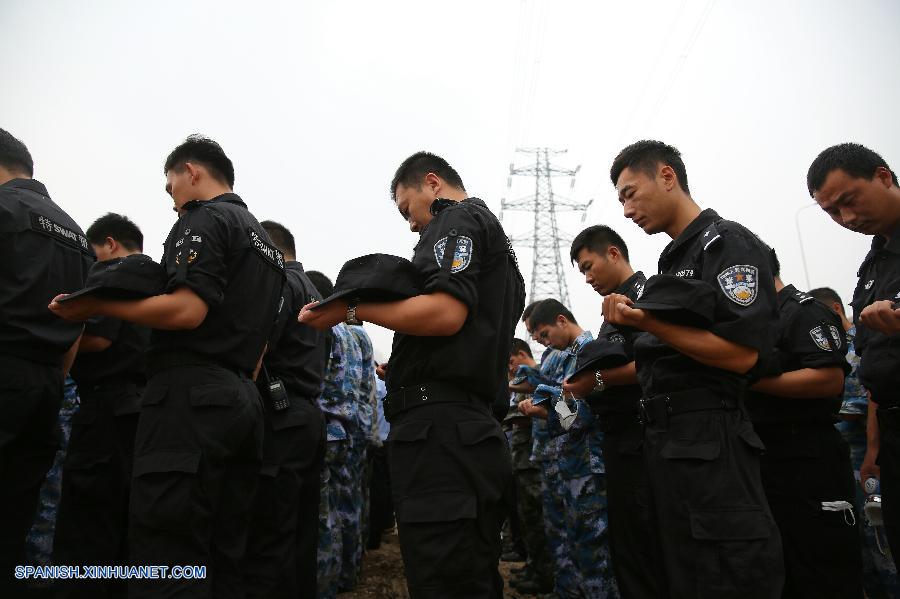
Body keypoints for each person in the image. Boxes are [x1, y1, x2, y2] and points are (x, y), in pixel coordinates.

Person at [50, 134, 286, 598]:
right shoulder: (268, 248)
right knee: (223, 550)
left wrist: (99, 305)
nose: (173, 200)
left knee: (168, 551)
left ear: (191, 173)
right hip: (242, 400)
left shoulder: (205, 219)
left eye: (171, 186)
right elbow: (260, 351)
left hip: (190, 398)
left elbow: (187, 310)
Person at [300, 151, 525, 598]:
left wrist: (349, 307)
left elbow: (444, 312)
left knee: (444, 577)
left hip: (442, 435)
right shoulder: (497, 245)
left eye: (408, 209)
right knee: (468, 574)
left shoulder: (456, 219)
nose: (412, 225)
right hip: (466, 429)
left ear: (432, 183)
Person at [604, 139, 784, 597]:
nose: (626, 210)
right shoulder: (674, 257)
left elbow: (744, 354)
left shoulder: (726, 243)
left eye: (629, 193)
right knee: (685, 573)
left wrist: (649, 323)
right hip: (670, 441)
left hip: (711, 437)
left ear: (667, 176)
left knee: (727, 573)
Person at [0, 128, 93, 593]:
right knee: (15, 520)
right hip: (45, 383)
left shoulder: (5, 210)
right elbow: (76, 324)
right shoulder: (76, 233)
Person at [745, 249, 863, 597]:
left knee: (825, 570)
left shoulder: (803, 311)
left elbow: (829, 379)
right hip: (770, 461)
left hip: (810, 459)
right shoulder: (757, 322)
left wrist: (749, 380)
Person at [808, 142, 900, 574]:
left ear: (883, 176)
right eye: (830, 212)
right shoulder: (873, 265)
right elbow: (878, 371)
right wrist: (875, 452)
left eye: (848, 201)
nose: (845, 219)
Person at [53, 213, 151, 598]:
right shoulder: (156, 279)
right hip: (141, 412)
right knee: (126, 524)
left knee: (86, 526)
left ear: (109, 243)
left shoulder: (111, 275)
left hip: (106, 412)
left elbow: (97, 338)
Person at [563, 224, 661, 598]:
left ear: (614, 254)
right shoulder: (610, 313)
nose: (588, 278)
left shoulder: (647, 297)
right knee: (629, 550)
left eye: (589, 266)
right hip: (619, 443)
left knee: (645, 550)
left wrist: (595, 382)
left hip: (643, 440)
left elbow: (653, 365)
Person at [243, 221, 327, 599]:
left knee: (269, 532)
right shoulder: (311, 289)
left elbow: (258, 349)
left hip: (281, 416)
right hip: (307, 414)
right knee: (299, 532)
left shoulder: (280, 283)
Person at [527, 299, 621, 598]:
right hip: (572, 463)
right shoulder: (568, 354)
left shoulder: (588, 352)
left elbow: (583, 414)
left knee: (595, 553)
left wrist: (547, 407)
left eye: (544, 335)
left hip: (589, 464)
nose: (545, 343)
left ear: (561, 321)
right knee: (577, 544)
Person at [810, 285, 900, 597]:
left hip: (866, 457)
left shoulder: (856, 349)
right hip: (837, 459)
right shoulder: (830, 349)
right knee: (856, 544)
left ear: (835, 310)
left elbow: (869, 400)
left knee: (880, 541)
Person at [506, 338, 554, 595]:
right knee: (529, 521)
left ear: (523, 354)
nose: (512, 369)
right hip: (526, 459)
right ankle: (535, 568)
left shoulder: (539, 379)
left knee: (539, 522)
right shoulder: (525, 382)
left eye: (512, 361)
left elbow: (558, 411)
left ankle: (544, 575)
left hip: (538, 461)